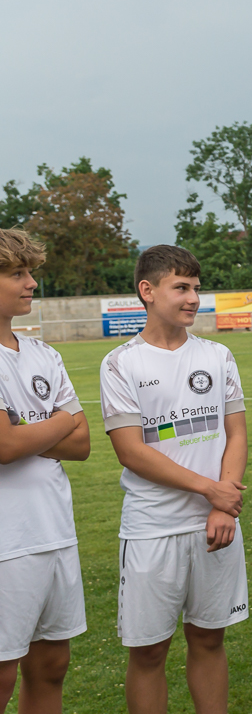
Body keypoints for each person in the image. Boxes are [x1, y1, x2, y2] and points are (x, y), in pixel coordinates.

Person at [100, 245, 250, 714]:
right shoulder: (121, 363)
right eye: (181, 288)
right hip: (152, 529)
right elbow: (131, 451)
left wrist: (223, 505)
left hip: (215, 526)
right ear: (147, 291)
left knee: (209, 640)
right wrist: (210, 490)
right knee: (149, 653)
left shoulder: (218, 355)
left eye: (197, 289)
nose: (193, 299)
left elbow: (236, 434)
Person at [0, 229, 91, 714]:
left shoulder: (43, 355)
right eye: (17, 274)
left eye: (30, 272)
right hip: (6, 543)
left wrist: (28, 429)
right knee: (2, 674)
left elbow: (82, 443)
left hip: (54, 531)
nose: (31, 283)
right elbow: (5, 446)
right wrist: (58, 421)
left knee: (52, 664)